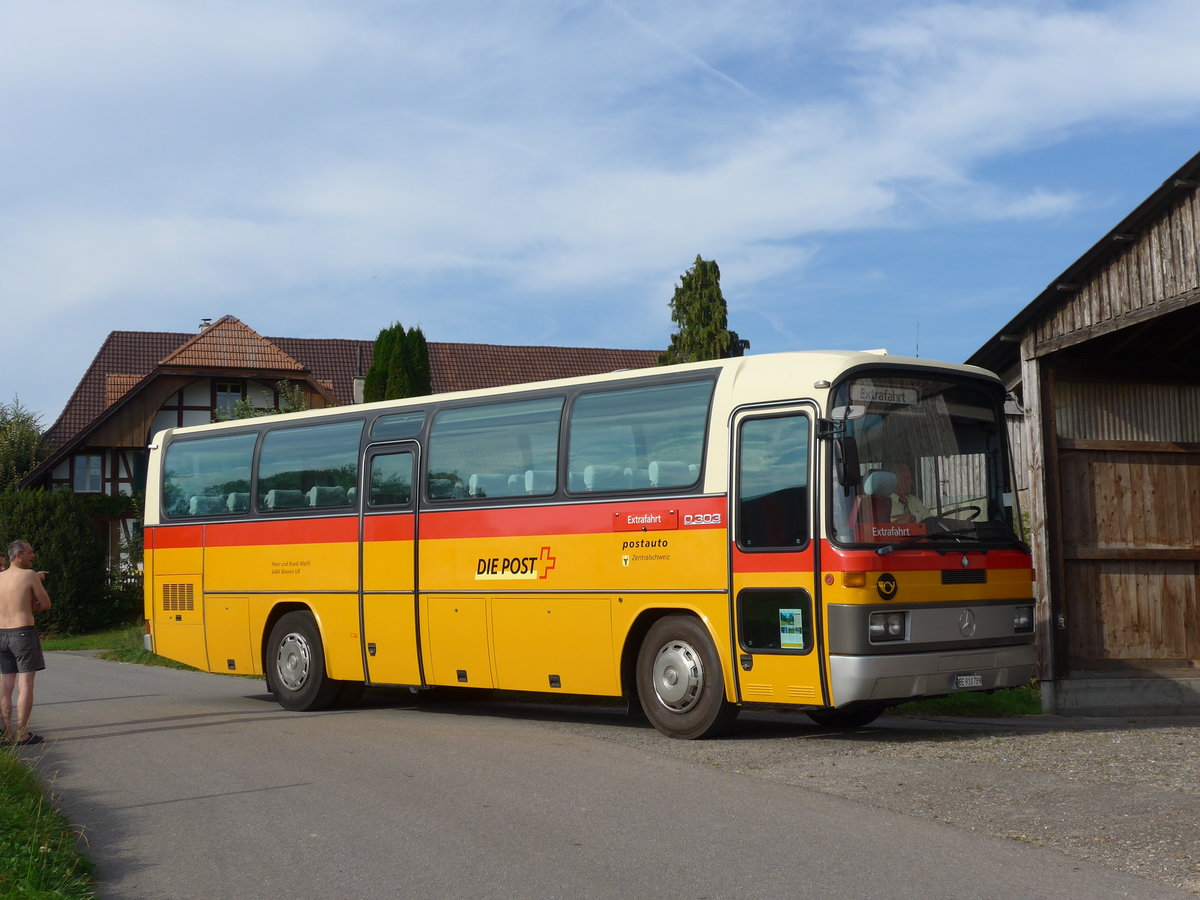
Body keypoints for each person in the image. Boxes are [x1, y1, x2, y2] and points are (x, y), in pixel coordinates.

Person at [0, 540, 51, 745]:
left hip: (1, 634)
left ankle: (7, 732)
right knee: (25, 685)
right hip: (23, 633)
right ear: (18, 555)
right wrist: (31, 605)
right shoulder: (29, 576)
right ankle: (22, 733)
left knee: (5, 687)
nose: (33, 556)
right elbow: (46, 604)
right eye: (30, 552)